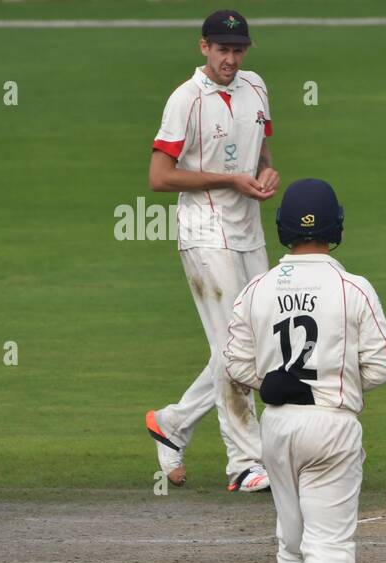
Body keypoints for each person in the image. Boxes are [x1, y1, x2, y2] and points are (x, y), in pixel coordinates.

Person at [225, 178, 386, 563]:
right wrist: (335, 378)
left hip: (275, 429)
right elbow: (384, 366)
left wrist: (268, 382)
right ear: (336, 227)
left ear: (283, 230)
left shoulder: (256, 290)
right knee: (333, 554)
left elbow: (233, 363)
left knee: (293, 547)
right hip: (332, 427)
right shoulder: (354, 288)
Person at [145, 9, 278, 492]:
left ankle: (172, 423)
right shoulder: (186, 100)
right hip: (204, 232)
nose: (231, 58)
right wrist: (228, 179)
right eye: (222, 49)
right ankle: (245, 463)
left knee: (258, 345)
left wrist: (265, 173)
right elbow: (160, 177)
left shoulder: (257, 86)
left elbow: (262, 150)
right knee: (234, 346)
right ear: (204, 47)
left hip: (249, 231)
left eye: (238, 49)